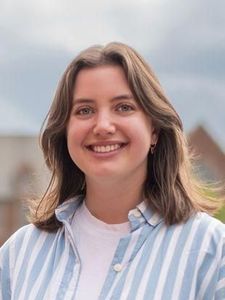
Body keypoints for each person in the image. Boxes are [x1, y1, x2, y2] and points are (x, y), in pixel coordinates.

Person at [0, 42, 225, 300]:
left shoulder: (211, 251)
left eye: (123, 107)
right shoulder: (19, 256)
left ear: (153, 130)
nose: (103, 126)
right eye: (85, 110)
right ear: (65, 132)